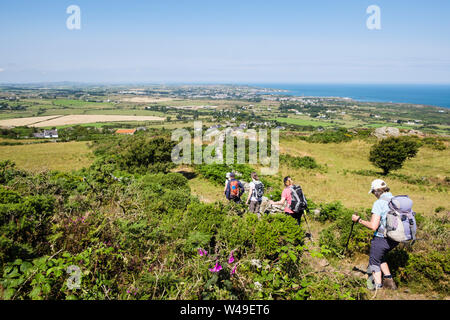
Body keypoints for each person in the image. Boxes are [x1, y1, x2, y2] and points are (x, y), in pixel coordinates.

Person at [352, 179, 398, 291]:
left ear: (377, 191)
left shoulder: (379, 203)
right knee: (380, 257)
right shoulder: (395, 200)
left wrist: (359, 220)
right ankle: (390, 282)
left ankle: (377, 288)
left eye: (373, 192)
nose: (374, 195)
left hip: (382, 238)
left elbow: (373, 226)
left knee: (374, 261)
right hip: (395, 238)